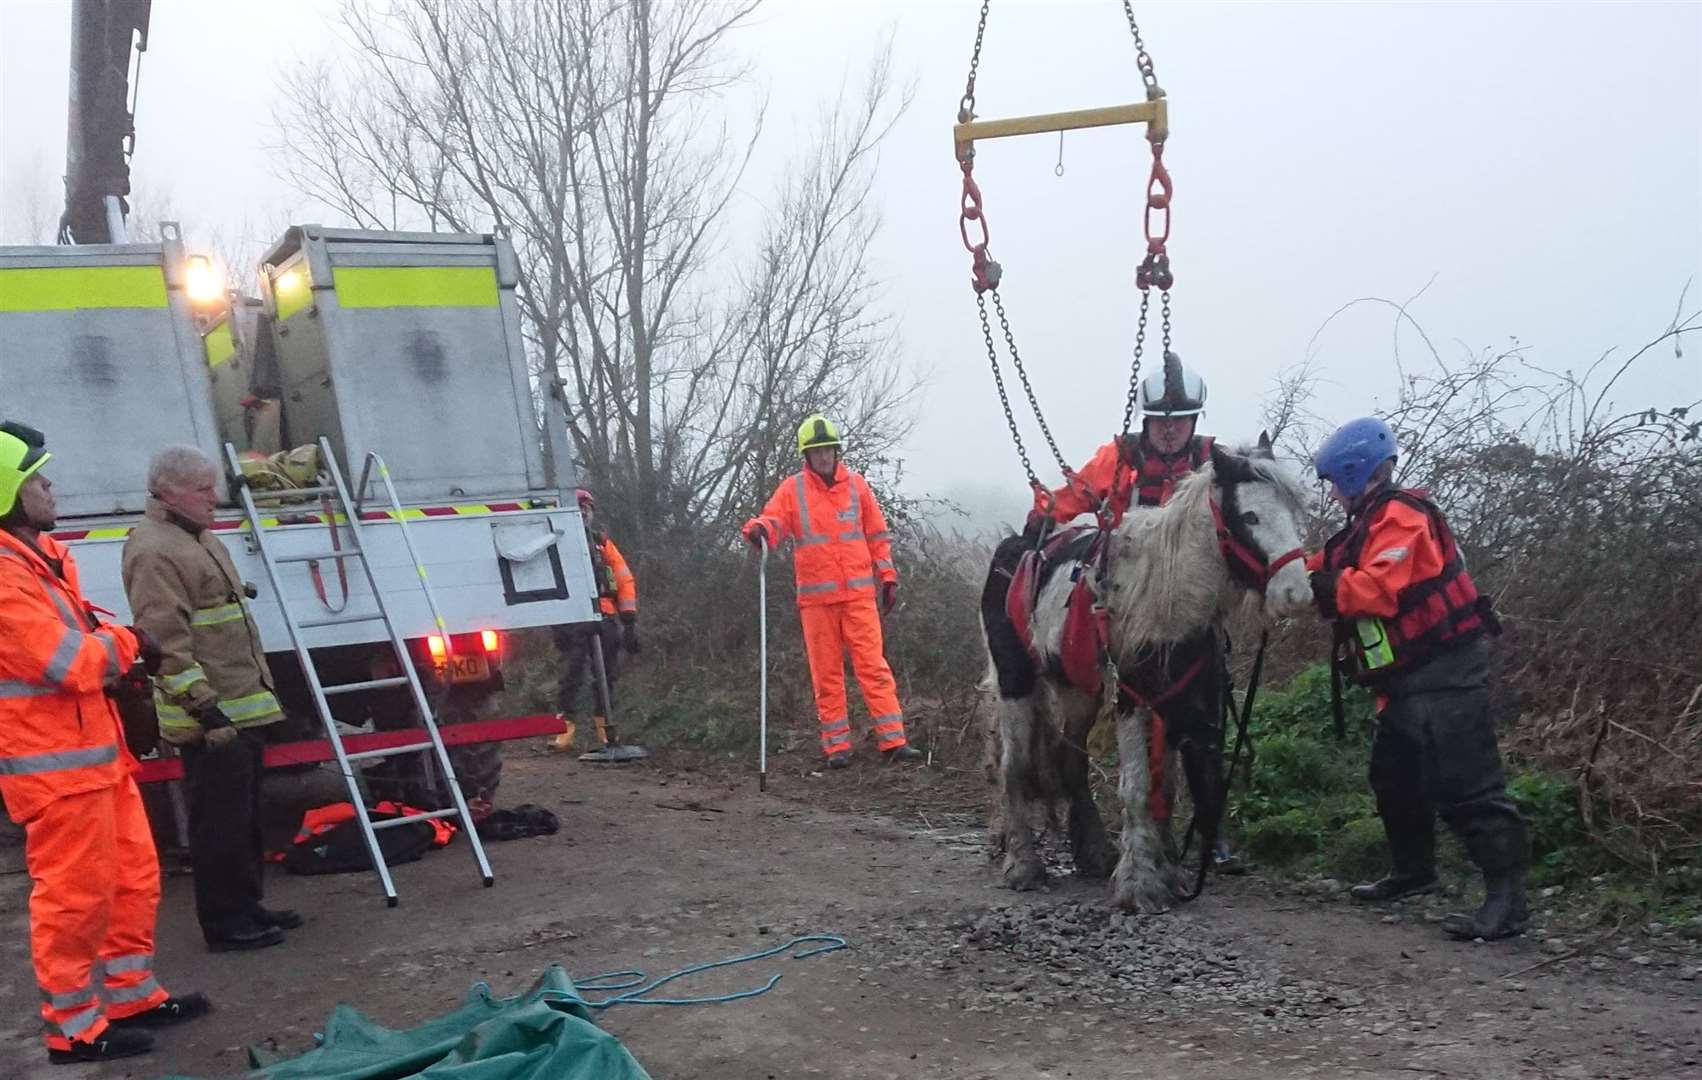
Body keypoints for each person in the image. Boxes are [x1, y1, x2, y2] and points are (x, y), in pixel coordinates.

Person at [0, 421, 209, 1064]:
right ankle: (73, 1030)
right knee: (73, 898)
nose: (51, 486)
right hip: (56, 772)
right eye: (37, 478)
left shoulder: (39, 562)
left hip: (92, 760)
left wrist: (115, 640)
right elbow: (65, 662)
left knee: (133, 880)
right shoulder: (6, 576)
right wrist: (128, 644)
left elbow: (79, 636)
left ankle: (131, 995)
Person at [1310, 416, 1528, 941]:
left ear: (1355, 474)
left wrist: (1316, 583)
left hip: (1446, 672)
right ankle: (1414, 872)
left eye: (1335, 483)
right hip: (1407, 681)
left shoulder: (1401, 517)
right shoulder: (1367, 523)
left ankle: (1508, 900)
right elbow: (1324, 564)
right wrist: (1283, 572)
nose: (1334, 494)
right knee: (1394, 778)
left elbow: (1373, 590)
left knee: (1468, 787)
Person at [1026, 352, 1243, 872]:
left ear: (1194, 422)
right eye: (1161, 423)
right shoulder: (1119, 459)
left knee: (1203, 729)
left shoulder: (1216, 463)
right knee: (1119, 713)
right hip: (1127, 612)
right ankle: (1132, 824)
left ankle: (1211, 833)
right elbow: (1074, 495)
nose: (1169, 433)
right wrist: (1039, 522)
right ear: (1147, 421)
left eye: (1180, 422)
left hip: (1191, 617)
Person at [122, 445, 298, 953]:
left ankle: (248, 905)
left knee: (243, 817)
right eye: (203, 489)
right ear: (169, 490)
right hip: (214, 718)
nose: (214, 498)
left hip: (242, 706)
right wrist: (206, 709)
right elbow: (164, 642)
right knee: (217, 823)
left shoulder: (197, 538)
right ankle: (224, 922)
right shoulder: (154, 549)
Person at [743, 415, 922, 768]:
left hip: (857, 597)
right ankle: (837, 747)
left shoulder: (857, 487)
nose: (823, 456)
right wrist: (759, 529)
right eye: (816, 451)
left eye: (827, 449)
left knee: (874, 667)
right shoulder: (792, 489)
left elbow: (877, 535)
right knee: (826, 674)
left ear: (836, 451)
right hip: (817, 601)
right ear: (806, 456)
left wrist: (887, 576)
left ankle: (893, 742)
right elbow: (774, 520)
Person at [549, 488, 642, 760]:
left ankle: (606, 730)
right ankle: (564, 729)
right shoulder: (556, 543)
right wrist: (559, 620)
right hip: (572, 618)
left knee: (607, 675)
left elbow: (624, 579)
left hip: (604, 617)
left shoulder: (602, 543)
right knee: (571, 673)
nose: (584, 512)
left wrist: (629, 622)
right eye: (579, 507)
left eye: (587, 507)